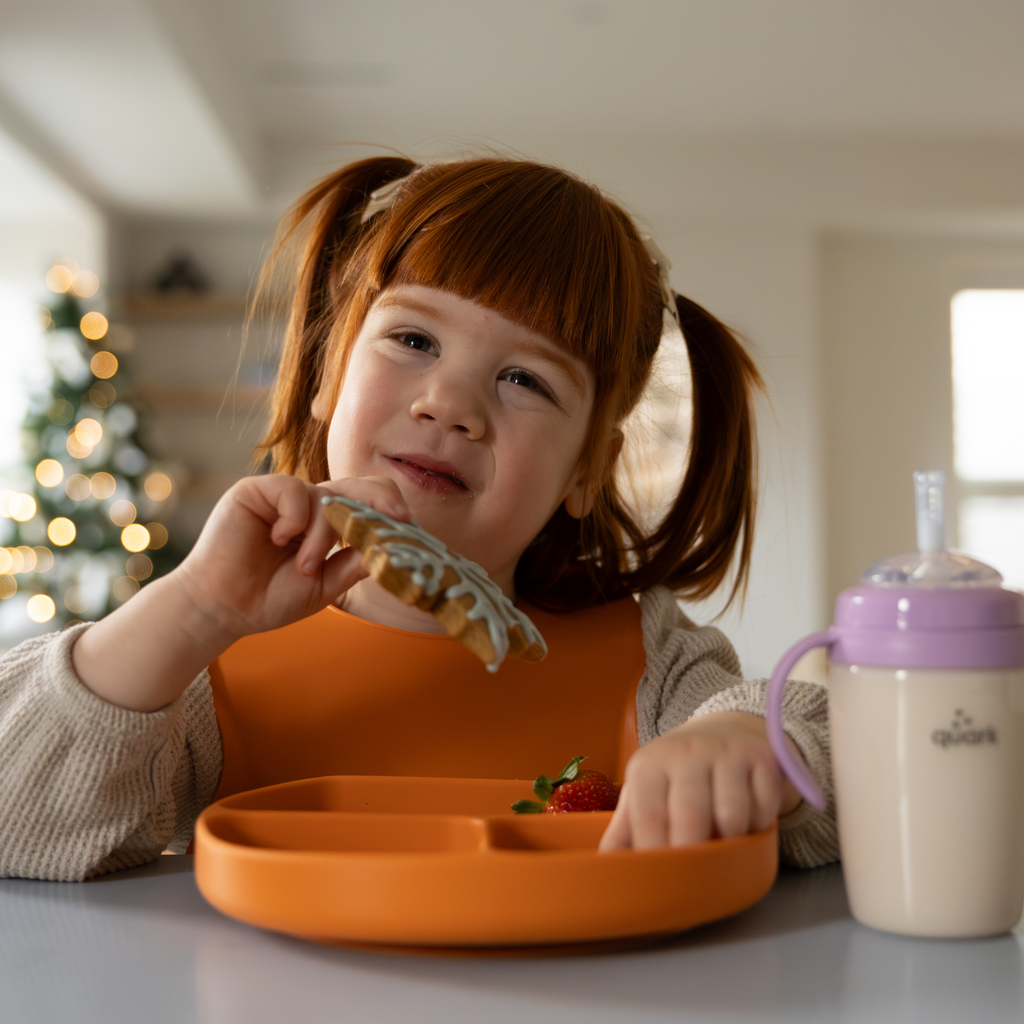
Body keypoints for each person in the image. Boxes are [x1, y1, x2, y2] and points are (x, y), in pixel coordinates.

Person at [0, 156, 836, 881]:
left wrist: (751, 743)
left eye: (526, 381)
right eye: (413, 341)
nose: (451, 404)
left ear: (589, 469)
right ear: (328, 375)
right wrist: (194, 611)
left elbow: (837, 778)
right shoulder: (209, 665)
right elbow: (18, 821)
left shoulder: (646, 659)